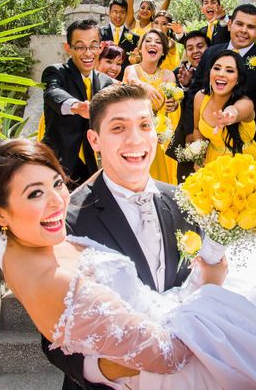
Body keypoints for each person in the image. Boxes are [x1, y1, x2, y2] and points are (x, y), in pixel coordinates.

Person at [0, 133, 256, 389]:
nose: (58, 200)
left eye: (57, 183)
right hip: (180, 369)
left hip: (168, 314)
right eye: (34, 194)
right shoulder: (50, 277)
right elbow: (166, 356)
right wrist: (204, 303)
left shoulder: (20, 240)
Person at [42, 84, 201, 390]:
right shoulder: (68, 220)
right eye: (118, 128)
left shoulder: (185, 201)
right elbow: (53, 335)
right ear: (95, 140)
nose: (135, 139)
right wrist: (112, 371)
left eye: (145, 125)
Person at [186, 4, 256, 155]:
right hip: (209, 143)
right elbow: (194, 92)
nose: (243, 30)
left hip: (247, 146)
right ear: (229, 24)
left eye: (251, 27)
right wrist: (190, 131)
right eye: (239, 24)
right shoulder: (211, 53)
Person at [41, 19, 115, 188]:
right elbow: (52, 92)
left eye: (93, 46)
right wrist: (76, 106)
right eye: (80, 47)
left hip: (91, 167)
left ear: (101, 47)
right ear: (68, 48)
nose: (88, 53)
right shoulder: (55, 72)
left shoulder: (105, 82)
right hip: (57, 163)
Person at [123, 29, 179, 185]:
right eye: (148, 41)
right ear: (140, 48)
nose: (152, 44)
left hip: (159, 136)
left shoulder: (169, 75)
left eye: (158, 42)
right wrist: (144, 86)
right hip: (134, 134)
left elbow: (172, 103)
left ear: (163, 52)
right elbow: (132, 80)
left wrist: (173, 105)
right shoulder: (132, 69)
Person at [193, 50, 256, 165]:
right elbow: (197, 129)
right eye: (217, 68)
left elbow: (238, 110)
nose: (221, 74)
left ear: (238, 80)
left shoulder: (245, 102)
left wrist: (231, 114)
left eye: (230, 71)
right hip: (212, 163)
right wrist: (199, 156)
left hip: (245, 166)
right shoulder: (200, 97)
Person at [167, 30, 211, 181]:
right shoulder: (181, 73)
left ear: (209, 48)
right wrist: (185, 86)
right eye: (190, 48)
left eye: (200, 46)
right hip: (187, 142)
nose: (195, 51)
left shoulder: (218, 72)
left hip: (212, 140)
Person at [100, 0, 139, 79]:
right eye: (115, 12)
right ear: (109, 12)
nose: (118, 15)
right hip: (101, 78)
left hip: (124, 80)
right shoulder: (99, 33)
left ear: (126, 14)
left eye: (122, 12)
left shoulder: (135, 38)